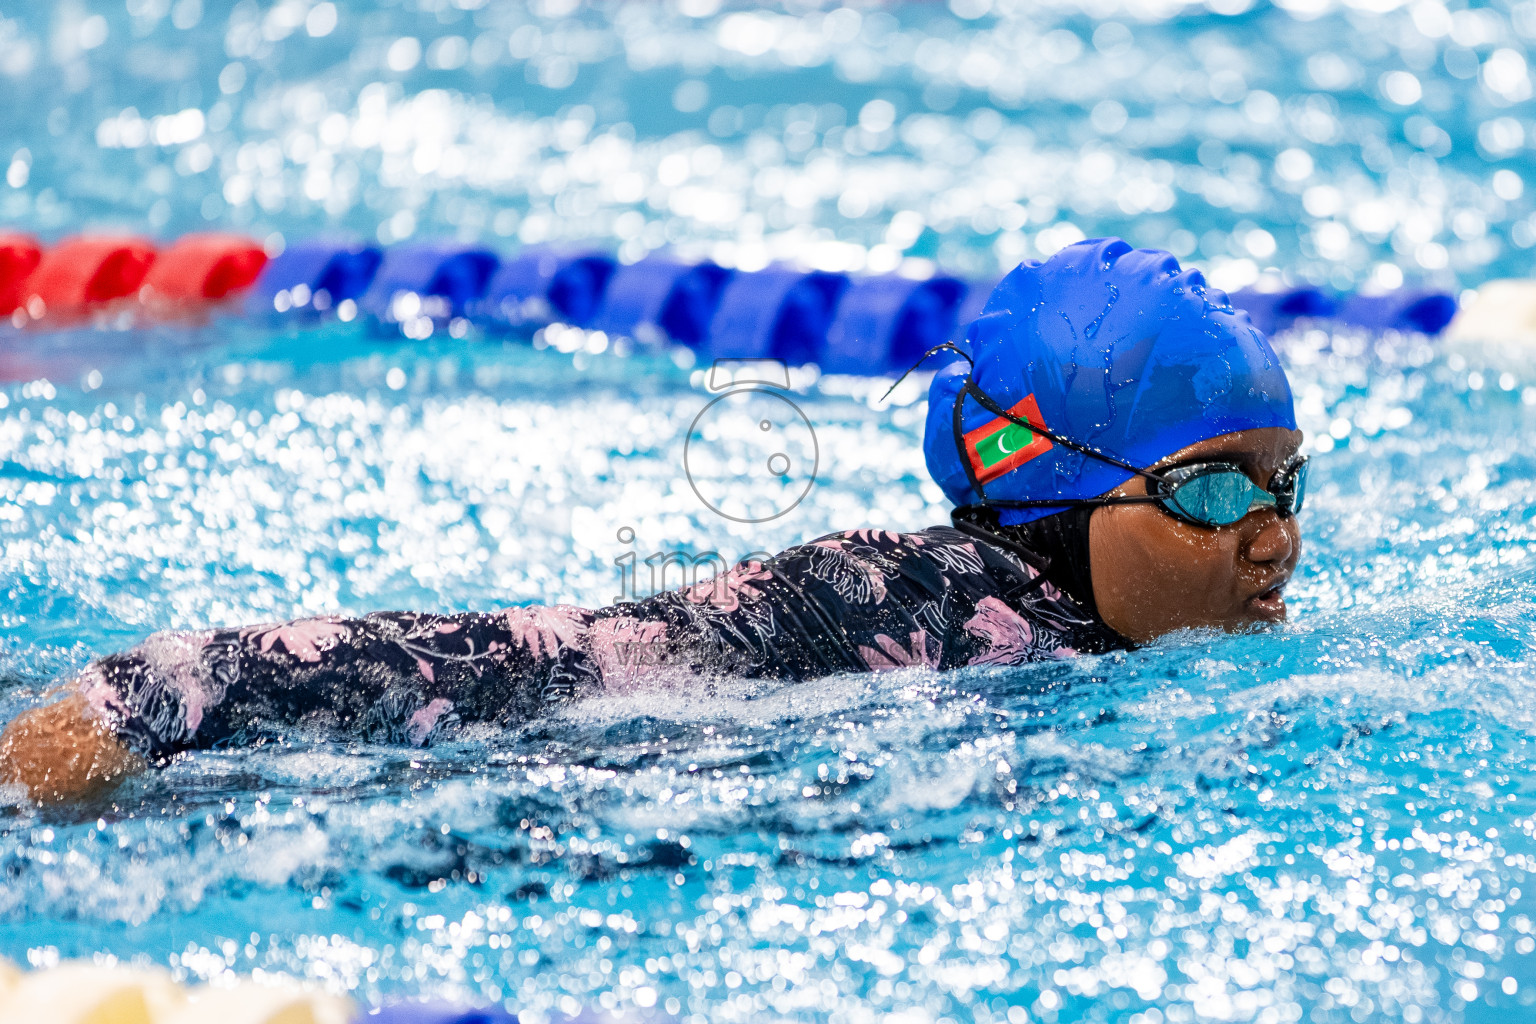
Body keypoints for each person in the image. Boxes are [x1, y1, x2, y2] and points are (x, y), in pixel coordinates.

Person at [0, 238, 1305, 803]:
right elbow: (529, 668)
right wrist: (154, 696)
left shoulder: (1072, 633)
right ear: (1054, 490)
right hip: (400, 792)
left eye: (1281, 481)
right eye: (1209, 485)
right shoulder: (895, 605)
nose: (1272, 533)